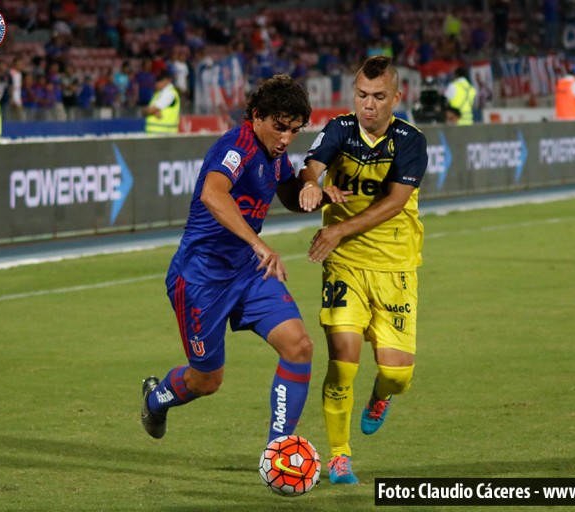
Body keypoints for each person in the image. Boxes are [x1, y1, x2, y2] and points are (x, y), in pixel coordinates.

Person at [141, 75, 331, 447]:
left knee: (299, 346)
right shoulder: (238, 145)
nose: (286, 139)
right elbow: (213, 194)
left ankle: (277, 451)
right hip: (200, 279)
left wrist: (320, 195)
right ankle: (155, 398)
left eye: (294, 130)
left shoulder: (275, 155)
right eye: (279, 128)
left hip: (247, 271)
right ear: (257, 116)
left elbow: (290, 195)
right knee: (207, 380)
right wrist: (259, 243)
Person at [298, 56, 428, 485]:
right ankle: (339, 456)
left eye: (377, 97)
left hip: (394, 265)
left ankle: (381, 396)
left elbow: (393, 203)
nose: (367, 105)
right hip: (345, 265)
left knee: (396, 374)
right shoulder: (340, 129)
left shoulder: (410, 140)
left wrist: (339, 229)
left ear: (396, 96)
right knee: (343, 362)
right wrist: (313, 183)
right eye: (361, 95)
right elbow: (313, 163)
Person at [142, 69, 180, 134]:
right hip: (155, 133)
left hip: (165, 134)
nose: (155, 84)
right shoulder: (158, 94)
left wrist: (151, 110)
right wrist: (153, 111)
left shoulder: (169, 93)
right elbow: (145, 111)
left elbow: (149, 110)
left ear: (165, 81)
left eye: (158, 81)